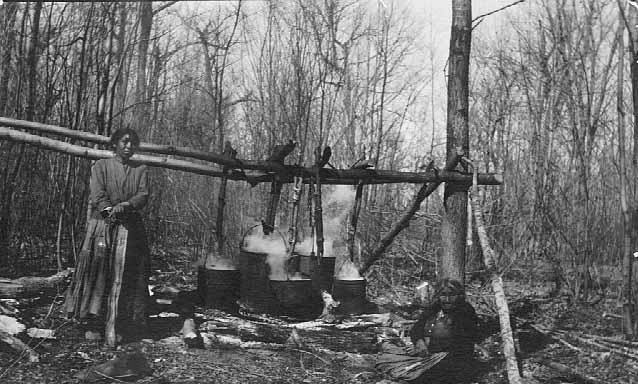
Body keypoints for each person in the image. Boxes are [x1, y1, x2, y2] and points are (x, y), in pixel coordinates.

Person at [65, 128, 150, 345]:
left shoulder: (140, 169)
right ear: (115, 144)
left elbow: (143, 194)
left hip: (130, 228)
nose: (128, 146)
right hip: (102, 226)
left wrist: (127, 206)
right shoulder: (101, 166)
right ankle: (93, 323)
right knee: (98, 272)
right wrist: (109, 211)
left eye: (132, 143)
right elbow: (97, 193)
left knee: (126, 276)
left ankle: (119, 323)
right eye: (124, 142)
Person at [409, 278, 480, 383]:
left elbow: (463, 341)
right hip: (429, 356)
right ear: (438, 295)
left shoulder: (465, 311)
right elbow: (416, 328)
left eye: (451, 295)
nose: (447, 299)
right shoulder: (435, 308)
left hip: (454, 360)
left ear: (459, 295)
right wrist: (419, 342)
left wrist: (433, 351)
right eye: (443, 295)